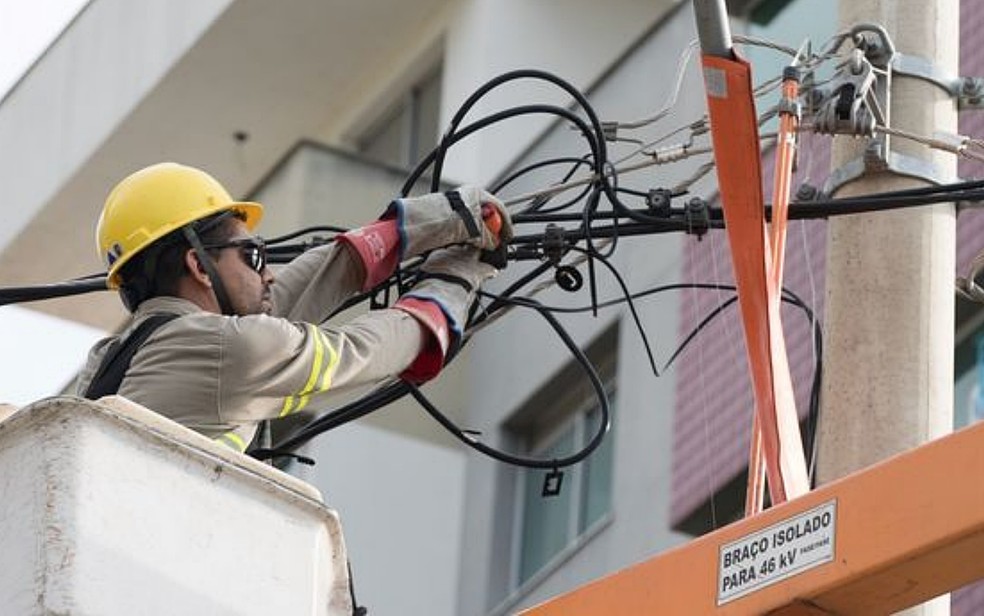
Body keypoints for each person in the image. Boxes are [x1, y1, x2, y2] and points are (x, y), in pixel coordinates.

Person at [75, 162, 510, 453]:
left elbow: (292, 296)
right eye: (254, 256)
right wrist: (460, 277)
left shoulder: (110, 362)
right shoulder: (226, 351)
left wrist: (430, 222)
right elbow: (364, 351)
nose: (268, 274)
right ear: (199, 265)